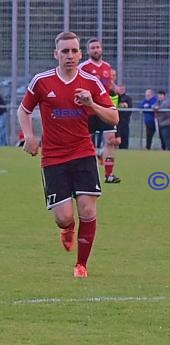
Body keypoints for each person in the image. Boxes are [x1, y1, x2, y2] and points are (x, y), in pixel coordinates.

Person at [17, 31, 119, 278]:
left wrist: (91, 105)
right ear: (56, 54)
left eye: (74, 51)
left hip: (83, 153)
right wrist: (29, 136)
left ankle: (81, 265)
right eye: (65, 51)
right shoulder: (41, 81)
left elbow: (114, 117)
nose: (70, 56)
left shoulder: (91, 83)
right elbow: (23, 110)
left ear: (80, 54)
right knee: (63, 218)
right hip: (52, 158)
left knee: (88, 209)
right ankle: (67, 228)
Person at [78, 38, 121, 183]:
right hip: (89, 110)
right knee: (85, 142)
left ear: (101, 49)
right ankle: (84, 173)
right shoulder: (83, 67)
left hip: (105, 110)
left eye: (97, 47)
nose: (95, 50)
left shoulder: (107, 67)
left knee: (110, 141)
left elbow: (108, 85)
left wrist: (116, 88)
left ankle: (109, 175)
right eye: (92, 48)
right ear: (88, 51)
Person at [116, 85, 132, 149]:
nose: (121, 90)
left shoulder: (128, 98)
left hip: (124, 121)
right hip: (116, 121)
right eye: (120, 89)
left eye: (122, 89)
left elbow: (129, 110)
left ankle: (124, 149)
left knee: (124, 137)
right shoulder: (116, 97)